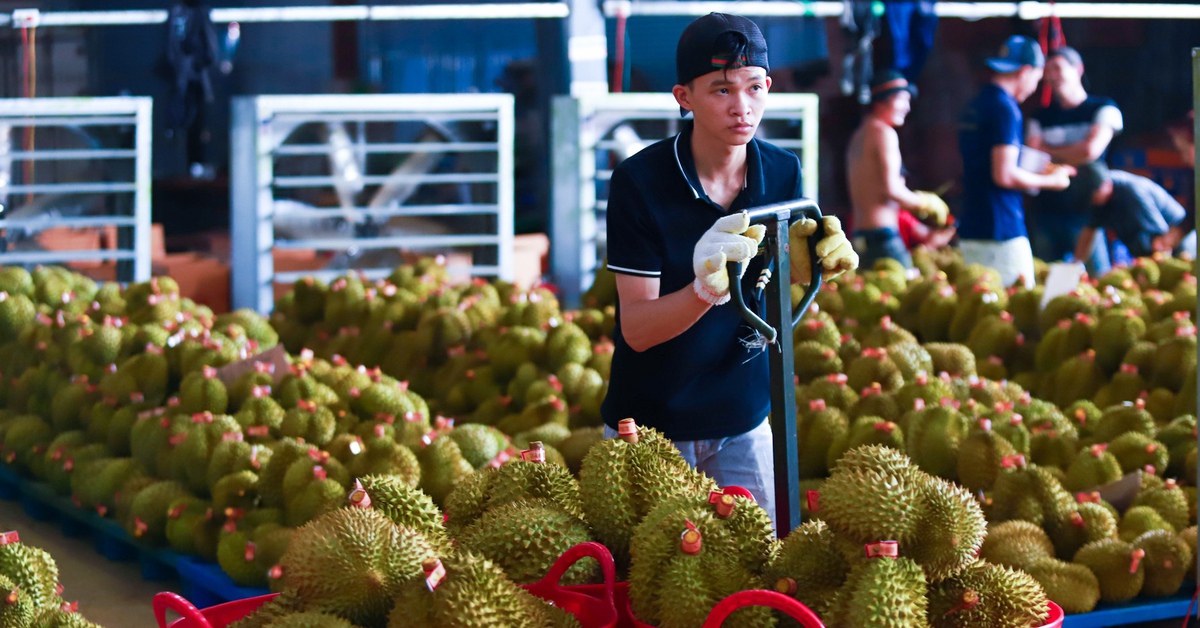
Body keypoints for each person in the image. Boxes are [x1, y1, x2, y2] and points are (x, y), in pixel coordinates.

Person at [600, 13, 857, 526]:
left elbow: (775, 291)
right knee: (653, 588)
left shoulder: (783, 173)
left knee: (758, 580)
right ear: (684, 97)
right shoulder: (640, 183)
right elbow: (639, 329)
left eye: (754, 87)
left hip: (744, 420)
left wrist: (815, 263)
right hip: (650, 428)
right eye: (720, 90)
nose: (742, 107)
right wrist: (704, 288)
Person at [957, 35, 1073, 289]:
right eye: (1037, 79)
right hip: (1000, 229)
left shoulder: (977, 104)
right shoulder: (1005, 109)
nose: (1034, 87)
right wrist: (1051, 180)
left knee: (980, 310)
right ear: (1025, 71)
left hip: (972, 225)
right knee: (1015, 308)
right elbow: (1004, 174)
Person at [1027, 47, 1124, 274]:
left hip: (1088, 217)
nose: (1052, 75)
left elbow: (1091, 150)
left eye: (1058, 68)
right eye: (1047, 70)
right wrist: (1073, 152)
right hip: (1047, 212)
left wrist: (1049, 150)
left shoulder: (1104, 108)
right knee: (1046, 284)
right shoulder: (1039, 116)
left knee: (1097, 281)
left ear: (1078, 69)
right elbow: (1033, 154)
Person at [847, 69, 951, 269]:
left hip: (860, 237)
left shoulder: (859, 135)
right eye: (902, 100)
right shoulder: (884, 133)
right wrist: (927, 203)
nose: (907, 107)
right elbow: (892, 190)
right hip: (883, 239)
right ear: (882, 101)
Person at [1072, 162, 1194, 261]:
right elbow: (1089, 230)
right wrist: (1076, 264)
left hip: (1180, 246)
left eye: (1094, 196)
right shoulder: (1098, 198)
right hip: (1151, 251)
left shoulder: (1132, 192)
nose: (1092, 200)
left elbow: (1161, 242)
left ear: (1106, 185)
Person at [1157, 111, 1195, 252]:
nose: (1184, 159)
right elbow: (1192, 215)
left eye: (1185, 150)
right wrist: (1170, 238)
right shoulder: (1193, 178)